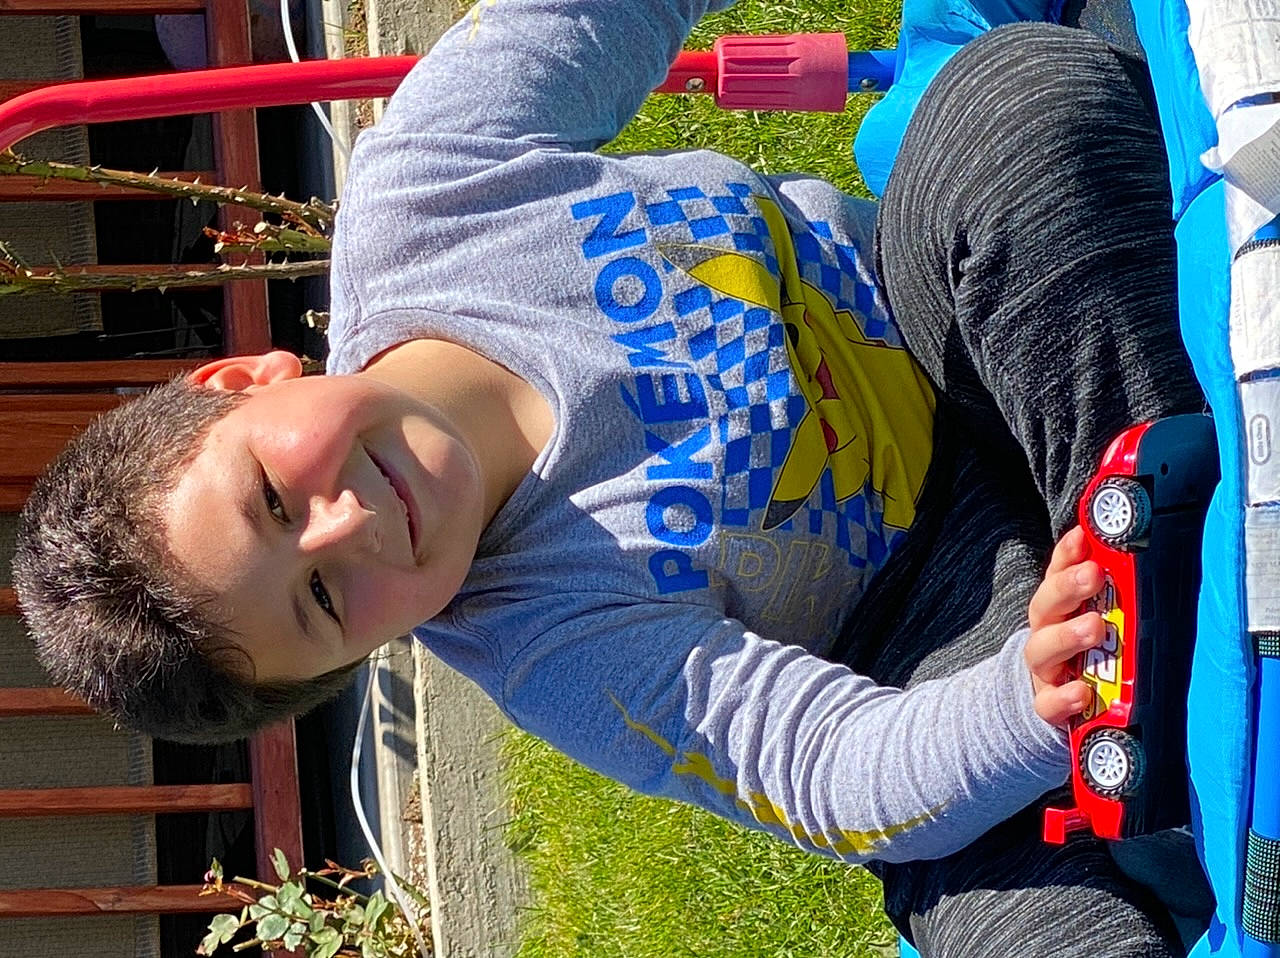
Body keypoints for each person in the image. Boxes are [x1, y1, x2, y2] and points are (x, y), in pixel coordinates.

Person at [13, 1, 1211, 953]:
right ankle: (1139, 645)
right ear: (352, 660)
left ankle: (1170, 549)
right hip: (928, 628)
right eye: (322, 601)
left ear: (242, 381)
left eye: (273, 499)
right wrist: (1016, 698)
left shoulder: (432, 183)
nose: (353, 525)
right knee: (1029, 928)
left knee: (1004, 107)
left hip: (938, 314)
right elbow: (823, 764)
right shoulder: (548, 646)